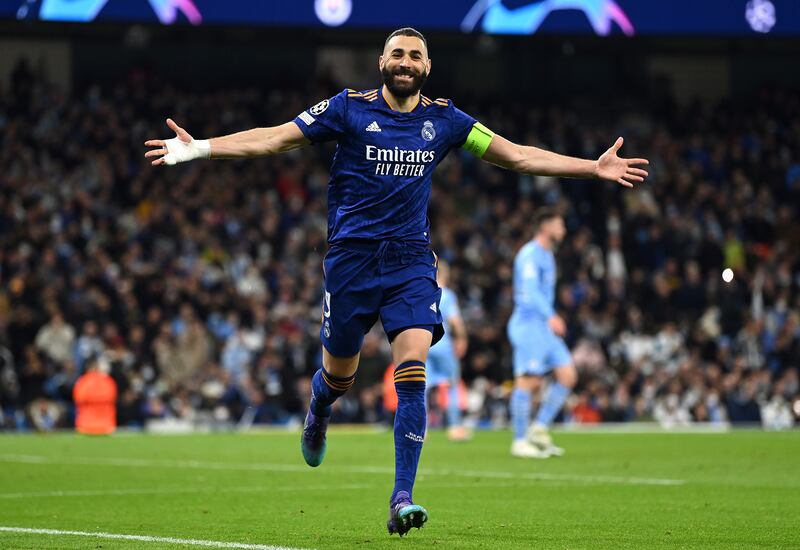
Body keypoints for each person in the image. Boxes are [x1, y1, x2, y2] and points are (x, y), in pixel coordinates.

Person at [145, 27, 648, 536]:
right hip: (351, 260)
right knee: (340, 375)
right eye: (398, 54)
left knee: (413, 368)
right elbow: (274, 138)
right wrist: (201, 148)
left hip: (410, 262)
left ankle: (401, 498)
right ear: (382, 61)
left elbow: (516, 155)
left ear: (427, 67)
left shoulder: (447, 120)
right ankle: (319, 407)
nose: (406, 62)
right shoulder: (347, 108)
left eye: (415, 56)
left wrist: (592, 168)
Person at [508, 209, 577, 458]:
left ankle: (539, 428)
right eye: (560, 224)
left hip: (544, 326)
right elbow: (529, 290)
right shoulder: (530, 254)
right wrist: (551, 315)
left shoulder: (548, 255)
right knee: (529, 381)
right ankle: (519, 440)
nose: (564, 230)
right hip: (529, 323)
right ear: (545, 226)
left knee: (567, 375)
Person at [425, 260, 470, 441]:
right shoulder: (447, 294)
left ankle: (421, 429)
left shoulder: (424, 292)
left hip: (425, 343)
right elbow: (455, 320)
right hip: (443, 343)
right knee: (452, 384)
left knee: (422, 386)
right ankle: (454, 426)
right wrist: (462, 338)